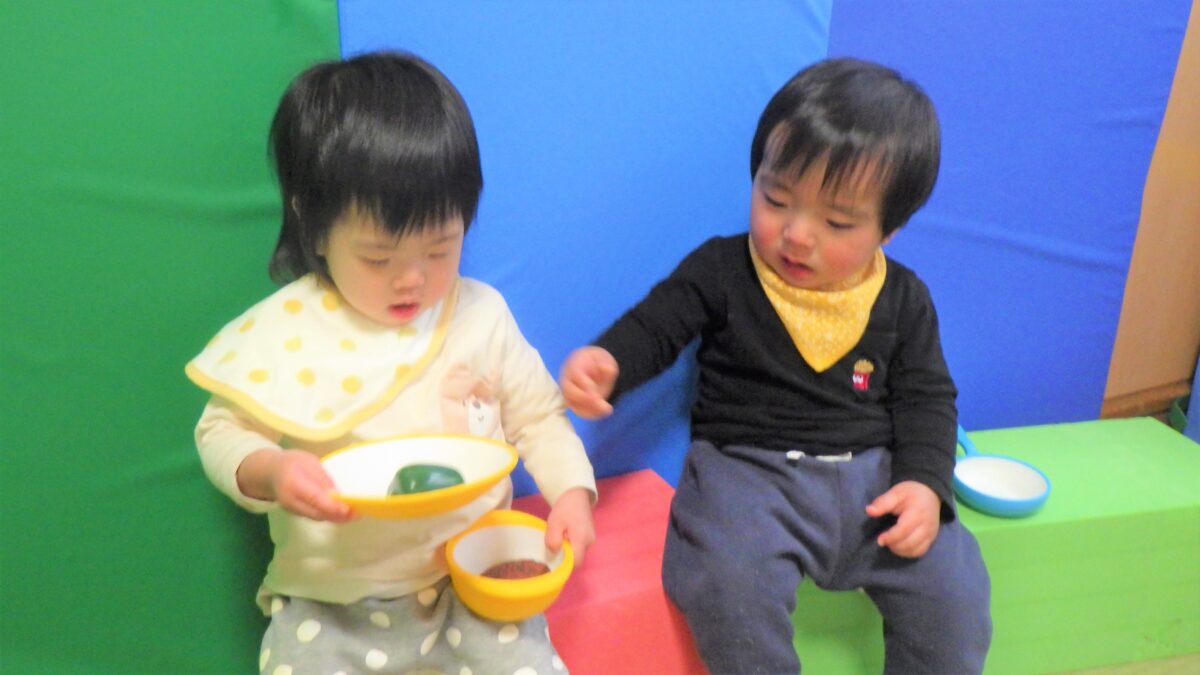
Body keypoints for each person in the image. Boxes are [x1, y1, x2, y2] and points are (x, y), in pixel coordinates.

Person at [559, 57, 991, 673]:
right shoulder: (722, 269)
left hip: (874, 479)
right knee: (726, 580)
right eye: (776, 198)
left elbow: (927, 399)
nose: (797, 234)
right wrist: (609, 361)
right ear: (756, 175)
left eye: (836, 221)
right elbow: (658, 324)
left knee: (955, 589)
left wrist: (924, 484)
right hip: (748, 475)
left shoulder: (903, 299)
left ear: (888, 231)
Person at [186, 51, 596, 674]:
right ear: (313, 227)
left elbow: (539, 418)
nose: (412, 280)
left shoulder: (481, 315)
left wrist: (572, 493)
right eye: (378, 258)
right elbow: (221, 431)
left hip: (475, 577)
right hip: (332, 600)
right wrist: (270, 470)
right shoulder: (286, 332)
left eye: (441, 249)